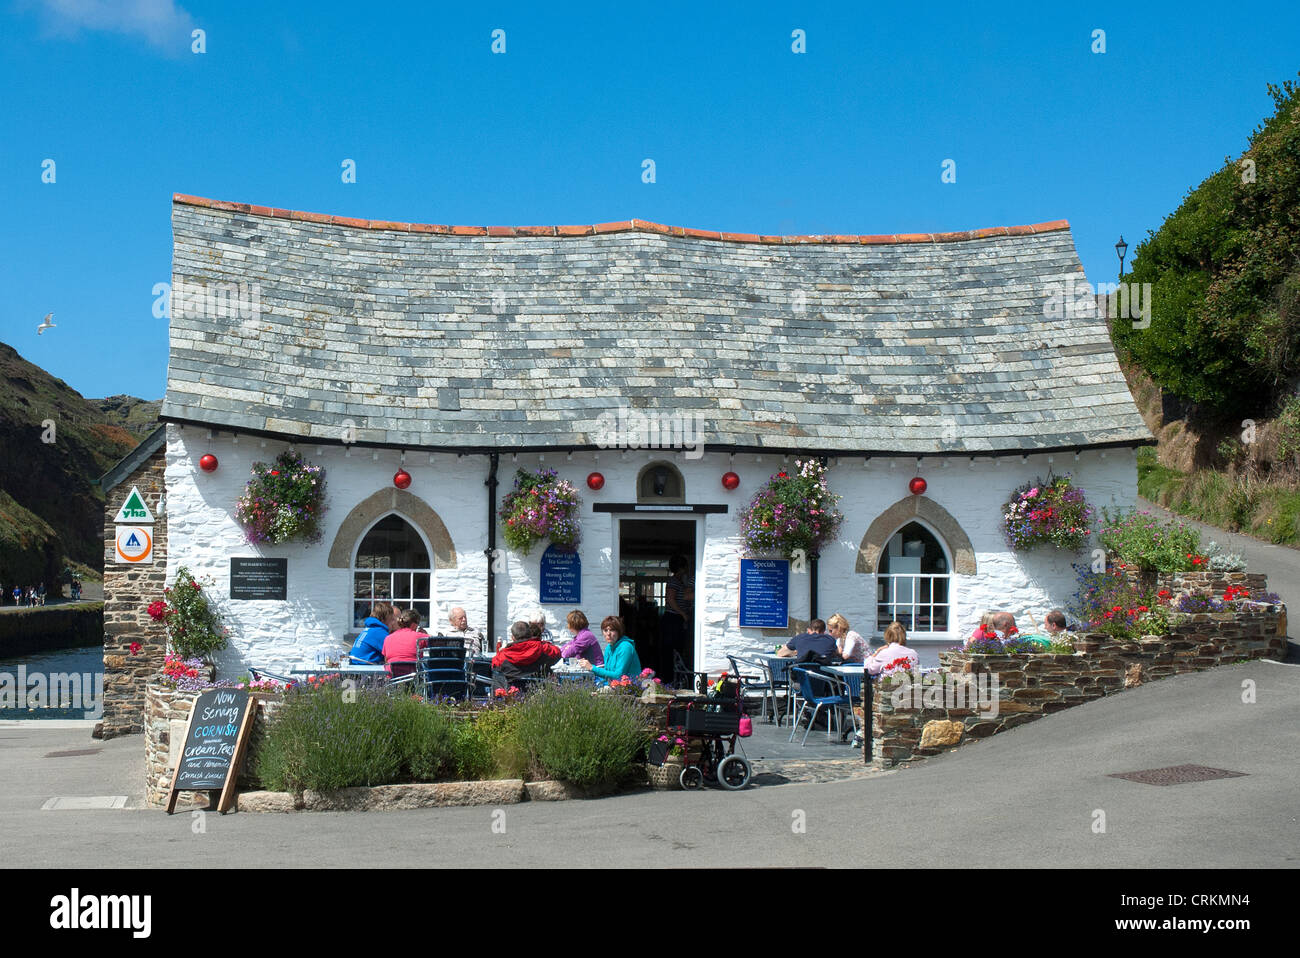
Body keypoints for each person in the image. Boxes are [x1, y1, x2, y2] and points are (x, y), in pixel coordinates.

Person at [492, 619, 562, 689]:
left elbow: (494, 666)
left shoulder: (503, 655)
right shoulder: (544, 648)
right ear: (529, 634)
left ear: (513, 637)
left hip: (514, 695)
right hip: (542, 694)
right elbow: (557, 653)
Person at [583, 615, 641, 684]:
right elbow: (608, 671)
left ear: (619, 632)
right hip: (614, 686)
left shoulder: (625, 647)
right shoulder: (609, 647)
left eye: (612, 630)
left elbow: (618, 676)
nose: (608, 634)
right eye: (605, 630)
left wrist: (592, 668)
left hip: (629, 689)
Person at [381, 608, 427, 674]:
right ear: (414, 625)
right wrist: (425, 633)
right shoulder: (420, 636)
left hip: (393, 677)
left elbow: (386, 660)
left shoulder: (388, 638)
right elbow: (438, 642)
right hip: (413, 676)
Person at [776, 619, 841, 665]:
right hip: (824, 678)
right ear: (824, 631)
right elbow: (838, 653)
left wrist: (795, 653)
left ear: (810, 630)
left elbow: (780, 653)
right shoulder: (830, 639)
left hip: (802, 677)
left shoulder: (800, 637)